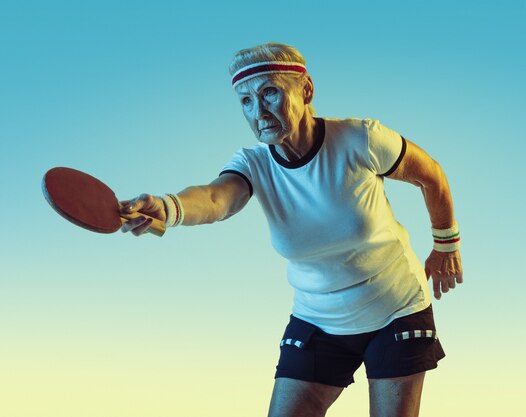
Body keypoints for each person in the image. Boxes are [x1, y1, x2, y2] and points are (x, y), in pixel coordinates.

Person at [121, 42, 463, 417]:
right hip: (318, 318)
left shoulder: (360, 139)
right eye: (246, 101)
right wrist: (168, 207)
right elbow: (216, 199)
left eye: (270, 92)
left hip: (395, 309)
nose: (259, 111)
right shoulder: (253, 164)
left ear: (306, 91)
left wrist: (446, 244)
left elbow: (432, 176)